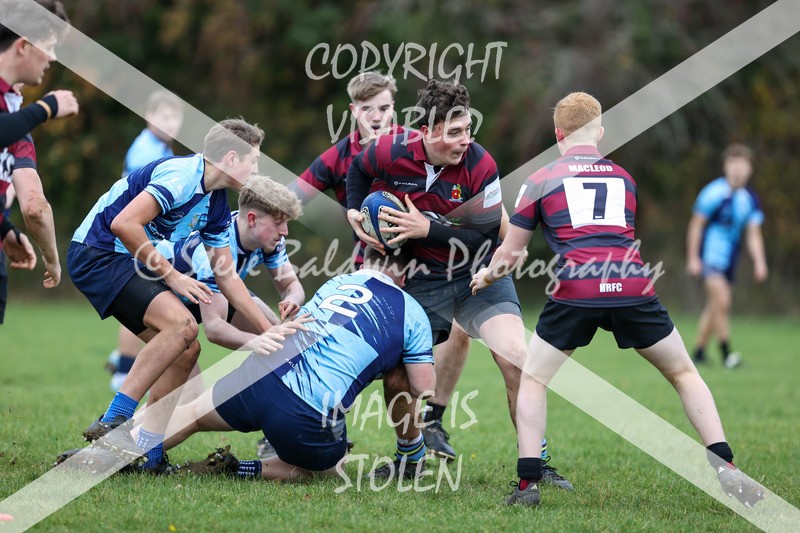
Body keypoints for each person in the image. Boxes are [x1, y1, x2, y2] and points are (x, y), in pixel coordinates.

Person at [471, 91, 764, 508]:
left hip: (578, 285)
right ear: (600, 133)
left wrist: (485, 275)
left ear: (559, 135)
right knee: (683, 373)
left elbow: (511, 254)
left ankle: (528, 485)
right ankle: (725, 466)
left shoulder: (539, 180)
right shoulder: (624, 178)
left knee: (534, 378)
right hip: (631, 283)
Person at [345, 79, 572, 489]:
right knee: (398, 376)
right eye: (454, 132)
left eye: (468, 129)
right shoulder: (389, 150)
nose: (465, 140)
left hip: (476, 275)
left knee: (516, 357)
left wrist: (424, 228)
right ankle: (409, 457)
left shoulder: (481, 164)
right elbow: (358, 172)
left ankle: (535, 462)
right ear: (427, 132)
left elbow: (485, 237)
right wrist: (352, 211)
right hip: (420, 280)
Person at [290, 71, 481, 465]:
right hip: (376, 264)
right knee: (358, 348)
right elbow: (295, 197)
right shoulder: (340, 156)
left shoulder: (419, 144)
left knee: (461, 331)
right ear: (353, 111)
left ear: (396, 108)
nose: (377, 116)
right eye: (367, 108)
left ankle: (432, 422)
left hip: (431, 264)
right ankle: (320, 419)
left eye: (385, 107)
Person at [67, 118, 273, 474]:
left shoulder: (216, 205)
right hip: (98, 252)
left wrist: (268, 330)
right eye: (254, 160)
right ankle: (114, 422)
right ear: (230, 159)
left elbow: (228, 278)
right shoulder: (181, 176)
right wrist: (173, 276)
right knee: (181, 326)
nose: (257, 169)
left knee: (187, 349)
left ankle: (149, 454)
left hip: (126, 258)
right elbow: (124, 224)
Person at [152, 246, 435, 481]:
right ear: (406, 274)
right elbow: (422, 387)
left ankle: (122, 453)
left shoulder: (338, 282)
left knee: (194, 414)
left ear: (364, 263)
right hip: (306, 411)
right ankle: (238, 469)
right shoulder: (411, 310)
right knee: (329, 470)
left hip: (260, 373)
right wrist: (388, 363)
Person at [107, 90, 186, 391]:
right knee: (140, 301)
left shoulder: (160, 147)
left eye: (175, 117)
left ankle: (123, 361)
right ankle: (124, 370)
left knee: (147, 300)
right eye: (164, 116)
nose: (171, 123)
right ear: (149, 117)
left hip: (147, 235)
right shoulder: (147, 150)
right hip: (136, 235)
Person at [0, 0, 79, 292]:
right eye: (49, 45)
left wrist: (5, 229)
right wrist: (46, 109)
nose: (53, 58)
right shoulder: (21, 121)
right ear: (22, 46)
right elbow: (34, 205)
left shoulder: (14, 114)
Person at [686, 143, 767, 369]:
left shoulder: (750, 199)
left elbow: (753, 234)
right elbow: (696, 226)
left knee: (714, 306)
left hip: (729, 261)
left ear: (750, 168)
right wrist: (693, 258)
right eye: (733, 163)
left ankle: (699, 352)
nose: (737, 169)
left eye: (742, 164)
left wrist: (760, 261)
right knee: (723, 302)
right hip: (709, 257)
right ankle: (727, 354)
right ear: (725, 166)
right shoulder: (713, 192)